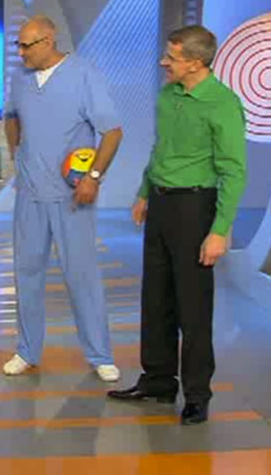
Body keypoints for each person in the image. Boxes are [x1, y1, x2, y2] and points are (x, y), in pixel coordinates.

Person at [107, 25, 247, 425]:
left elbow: (234, 171)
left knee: (193, 306)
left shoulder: (222, 104)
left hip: (195, 207)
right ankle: (157, 380)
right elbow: (160, 149)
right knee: (155, 298)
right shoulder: (168, 96)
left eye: (172, 57)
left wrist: (219, 230)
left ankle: (197, 394)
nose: (163, 62)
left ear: (196, 62)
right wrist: (144, 191)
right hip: (161, 203)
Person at [3, 15, 123, 381]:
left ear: (48, 41)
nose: (21, 53)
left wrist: (93, 177)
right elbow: (12, 117)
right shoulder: (20, 79)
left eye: (27, 46)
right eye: (18, 46)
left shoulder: (84, 75)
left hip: (72, 196)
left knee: (81, 274)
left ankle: (100, 355)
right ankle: (27, 350)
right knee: (26, 273)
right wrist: (17, 157)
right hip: (30, 194)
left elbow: (112, 132)